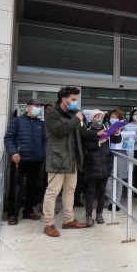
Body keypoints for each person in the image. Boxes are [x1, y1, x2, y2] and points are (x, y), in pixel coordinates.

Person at [43, 86, 87, 237]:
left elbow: (81, 133)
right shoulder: (52, 114)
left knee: (70, 190)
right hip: (58, 159)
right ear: (64, 99)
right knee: (53, 191)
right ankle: (49, 223)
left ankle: (68, 219)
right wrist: (76, 119)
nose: (75, 102)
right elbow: (60, 131)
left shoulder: (73, 114)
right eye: (73, 99)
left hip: (72, 159)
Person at [3, 98, 46, 225]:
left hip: (36, 160)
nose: (38, 108)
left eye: (40, 106)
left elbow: (45, 141)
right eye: (36, 106)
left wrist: (42, 154)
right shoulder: (16, 121)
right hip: (19, 160)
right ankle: (12, 214)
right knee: (16, 187)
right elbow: (8, 138)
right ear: (27, 107)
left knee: (33, 188)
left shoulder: (40, 123)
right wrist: (13, 152)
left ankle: (28, 211)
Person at [80, 110, 121, 226]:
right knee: (91, 191)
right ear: (92, 118)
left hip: (105, 163)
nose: (99, 118)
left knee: (102, 191)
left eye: (101, 116)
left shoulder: (107, 127)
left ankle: (99, 213)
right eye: (96, 116)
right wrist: (98, 142)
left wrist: (117, 133)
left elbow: (116, 141)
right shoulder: (86, 129)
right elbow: (85, 145)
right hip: (92, 163)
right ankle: (88, 215)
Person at [106, 108, 126, 211]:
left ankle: (117, 202)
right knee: (108, 179)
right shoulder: (105, 127)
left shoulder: (125, 129)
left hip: (121, 155)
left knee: (119, 179)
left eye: (116, 117)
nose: (113, 119)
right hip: (108, 155)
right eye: (112, 117)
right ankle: (111, 201)